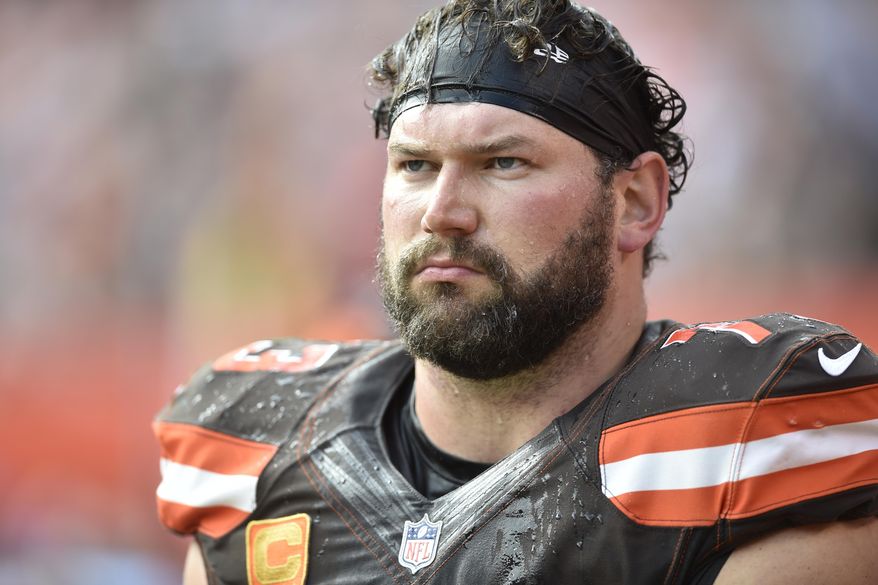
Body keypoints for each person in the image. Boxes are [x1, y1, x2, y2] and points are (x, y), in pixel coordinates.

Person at [153, 1, 878, 583]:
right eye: (413, 165)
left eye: (502, 161)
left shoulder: (755, 437)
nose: (442, 210)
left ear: (634, 202)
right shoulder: (257, 449)